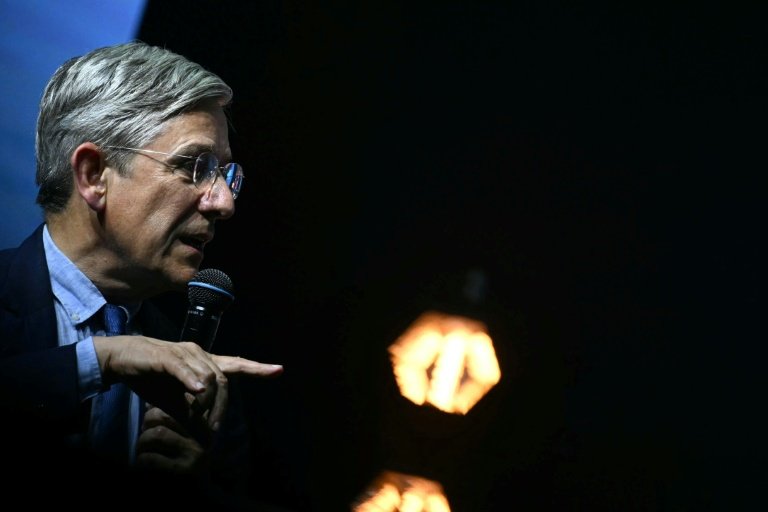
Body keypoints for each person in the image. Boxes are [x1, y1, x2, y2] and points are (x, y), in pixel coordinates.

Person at [0, 41, 286, 509]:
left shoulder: (201, 389)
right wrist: (98, 361)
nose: (224, 203)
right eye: (195, 167)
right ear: (94, 175)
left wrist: (190, 491)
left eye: (225, 175)